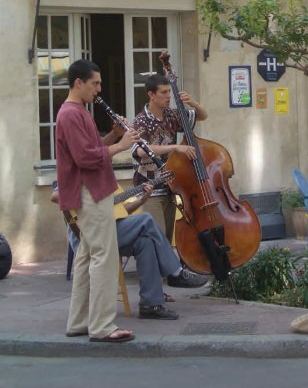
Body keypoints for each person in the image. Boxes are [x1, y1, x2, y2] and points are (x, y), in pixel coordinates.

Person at [55, 58, 140, 343]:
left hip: (90, 189)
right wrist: (122, 145)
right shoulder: (71, 114)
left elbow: (92, 148)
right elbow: (86, 158)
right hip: (89, 191)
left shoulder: (77, 112)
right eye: (95, 83)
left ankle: (79, 322)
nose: (99, 89)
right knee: (104, 256)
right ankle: (103, 326)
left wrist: (114, 135)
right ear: (78, 83)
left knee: (86, 256)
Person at [52, 183, 208, 320]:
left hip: (111, 232)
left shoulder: (107, 179)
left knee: (145, 243)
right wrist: (92, 202)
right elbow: (56, 195)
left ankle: (151, 305)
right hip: (93, 234)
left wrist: (142, 200)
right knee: (146, 219)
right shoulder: (82, 171)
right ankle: (175, 272)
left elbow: (121, 210)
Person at [131, 74, 208, 256]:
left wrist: (194, 103)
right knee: (156, 234)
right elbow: (140, 150)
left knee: (165, 236)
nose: (168, 96)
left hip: (170, 184)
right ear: (151, 94)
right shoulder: (141, 120)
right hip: (150, 186)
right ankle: (158, 273)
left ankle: (166, 273)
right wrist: (175, 147)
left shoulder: (172, 115)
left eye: (169, 92)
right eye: (164, 92)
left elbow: (203, 116)